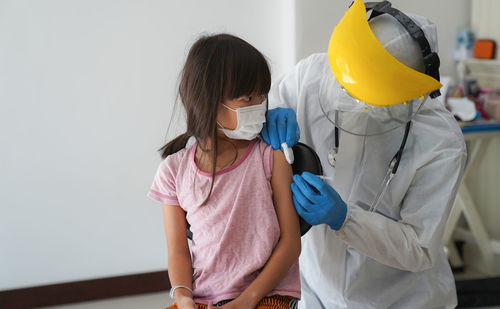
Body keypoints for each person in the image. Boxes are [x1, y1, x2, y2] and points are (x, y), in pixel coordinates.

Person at [261, 1, 467, 308]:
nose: (347, 97)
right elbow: (265, 106)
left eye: (364, 96)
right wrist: (269, 111)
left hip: (399, 298)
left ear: (406, 93)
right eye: (344, 85)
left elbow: (419, 248)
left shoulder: (441, 142)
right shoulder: (311, 76)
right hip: (315, 288)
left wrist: (347, 219)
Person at [147, 34, 301, 309]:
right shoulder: (173, 171)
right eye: (247, 97)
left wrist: (248, 300)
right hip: (204, 297)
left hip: (267, 295)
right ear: (208, 101)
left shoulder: (272, 157)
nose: (260, 105)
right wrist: (183, 297)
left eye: (262, 95)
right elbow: (179, 252)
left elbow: (291, 242)